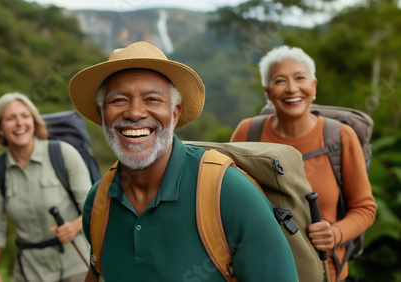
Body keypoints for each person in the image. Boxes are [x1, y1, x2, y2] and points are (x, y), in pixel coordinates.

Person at [68, 41, 299, 282]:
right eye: (118, 100)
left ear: (175, 113)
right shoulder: (99, 201)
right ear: (101, 115)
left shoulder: (228, 192)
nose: (134, 113)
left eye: (152, 99)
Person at [230, 45, 377, 282]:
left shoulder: (340, 137)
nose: (291, 88)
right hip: (262, 271)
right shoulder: (248, 132)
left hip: (325, 271)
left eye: (300, 78)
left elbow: (365, 208)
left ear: (314, 86)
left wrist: (336, 233)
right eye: (280, 81)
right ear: (267, 92)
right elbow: (227, 198)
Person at [0, 92, 92, 282]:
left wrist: (74, 227)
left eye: (25, 116)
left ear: (34, 122)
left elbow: (94, 209)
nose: (19, 123)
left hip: (77, 266)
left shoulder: (63, 154)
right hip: (30, 272)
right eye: (10, 118)